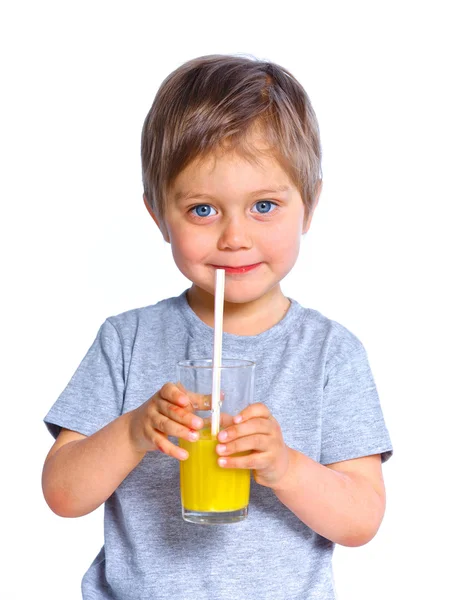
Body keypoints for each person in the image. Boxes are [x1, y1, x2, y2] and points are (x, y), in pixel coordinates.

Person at [42, 54, 393, 600]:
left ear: (310, 206)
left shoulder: (331, 353)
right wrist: (135, 432)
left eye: (265, 205)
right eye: (203, 210)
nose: (235, 237)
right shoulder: (126, 340)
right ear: (159, 215)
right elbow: (62, 493)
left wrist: (284, 466)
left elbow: (362, 518)